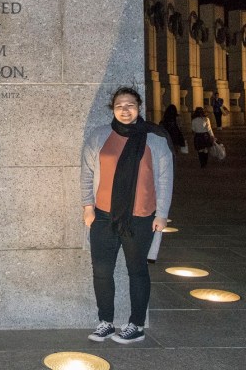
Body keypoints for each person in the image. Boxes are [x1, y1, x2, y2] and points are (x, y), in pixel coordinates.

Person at [80, 87, 173, 344]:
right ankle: (106, 322)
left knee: (137, 271)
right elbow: (87, 173)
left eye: (130, 104)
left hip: (140, 217)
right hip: (103, 216)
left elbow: (165, 180)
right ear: (112, 108)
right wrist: (88, 206)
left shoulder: (155, 140)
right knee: (101, 270)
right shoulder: (99, 137)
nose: (125, 109)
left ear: (139, 107)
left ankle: (136, 324)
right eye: (120, 105)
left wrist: (162, 214)